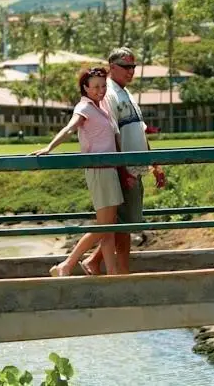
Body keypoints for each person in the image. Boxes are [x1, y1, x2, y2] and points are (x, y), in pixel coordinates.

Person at [30, 67, 130, 276]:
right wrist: (49, 147)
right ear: (85, 88)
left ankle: (110, 272)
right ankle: (66, 265)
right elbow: (69, 128)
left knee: (109, 226)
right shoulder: (84, 107)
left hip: (109, 170)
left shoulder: (101, 106)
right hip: (98, 171)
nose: (100, 90)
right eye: (95, 87)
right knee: (105, 225)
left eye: (103, 86)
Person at [80, 47, 166, 275]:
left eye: (133, 67)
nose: (131, 71)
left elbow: (140, 131)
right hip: (123, 169)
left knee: (124, 224)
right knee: (120, 225)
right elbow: (113, 136)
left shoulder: (126, 94)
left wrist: (154, 164)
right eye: (126, 66)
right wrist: (123, 171)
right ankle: (109, 268)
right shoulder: (109, 95)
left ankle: (101, 264)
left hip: (134, 168)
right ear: (112, 68)